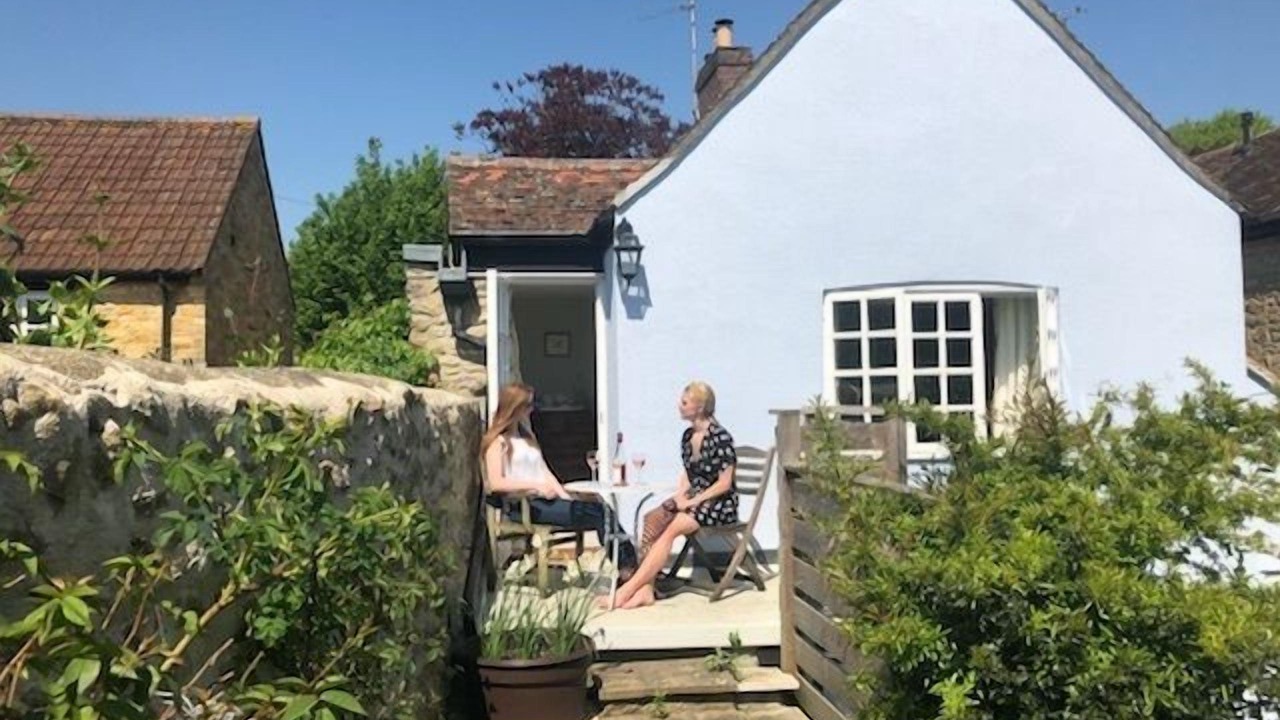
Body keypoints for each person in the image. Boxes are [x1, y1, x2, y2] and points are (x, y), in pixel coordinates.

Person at [481, 382, 637, 581]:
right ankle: (627, 570)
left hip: (546, 500)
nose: (532, 410)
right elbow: (496, 483)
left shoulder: (528, 438)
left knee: (601, 506)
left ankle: (628, 565)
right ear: (515, 408)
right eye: (528, 405)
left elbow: (546, 473)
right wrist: (534, 487)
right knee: (598, 514)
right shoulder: (499, 442)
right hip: (525, 505)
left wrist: (568, 496)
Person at [610, 381, 737, 610]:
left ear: (699, 407)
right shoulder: (688, 436)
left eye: (685, 402)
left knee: (671, 528)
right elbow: (688, 474)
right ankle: (646, 590)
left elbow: (725, 483)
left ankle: (627, 590)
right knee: (652, 518)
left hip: (718, 504)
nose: (679, 405)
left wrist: (693, 501)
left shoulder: (721, 437)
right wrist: (679, 496)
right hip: (695, 499)